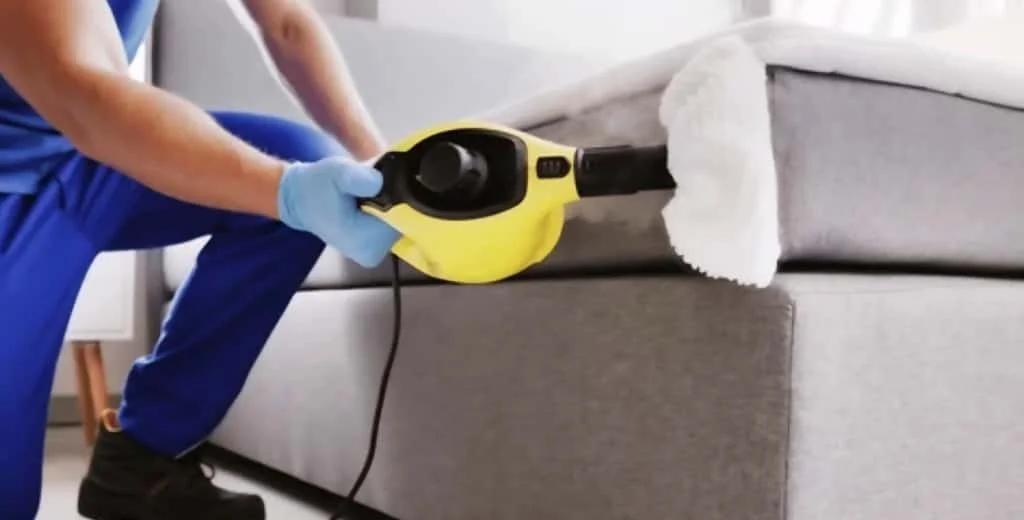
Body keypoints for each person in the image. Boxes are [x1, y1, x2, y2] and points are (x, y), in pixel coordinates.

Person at [0, 0, 402, 518]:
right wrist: (285, 191)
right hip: (24, 172)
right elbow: (84, 90)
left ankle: (142, 461)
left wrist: (383, 174)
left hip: (85, 164)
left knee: (301, 155)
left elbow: (286, 23)